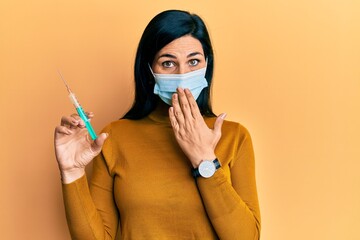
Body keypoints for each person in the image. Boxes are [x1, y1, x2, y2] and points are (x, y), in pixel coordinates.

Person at [54, 9, 261, 240]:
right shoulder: (114, 138)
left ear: (206, 65)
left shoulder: (235, 137)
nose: (183, 75)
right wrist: (72, 172)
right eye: (168, 63)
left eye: (193, 61)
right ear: (150, 69)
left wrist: (204, 160)